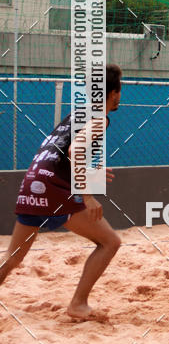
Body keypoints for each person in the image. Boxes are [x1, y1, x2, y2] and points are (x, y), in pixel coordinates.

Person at [0, 64, 123, 320]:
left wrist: (89, 174)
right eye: (119, 91)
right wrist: (87, 195)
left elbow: (61, 155)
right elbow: (75, 151)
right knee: (110, 242)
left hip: (33, 180)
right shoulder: (99, 118)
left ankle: (78, 304)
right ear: (113, 93)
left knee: (13, 257)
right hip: (53, 189)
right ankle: (78, 304)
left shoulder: (76, 115)